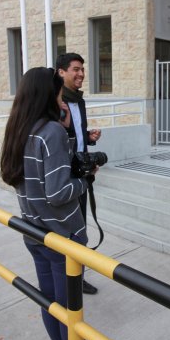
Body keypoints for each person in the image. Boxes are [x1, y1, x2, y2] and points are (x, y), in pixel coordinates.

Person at [0, 67, 104, 340]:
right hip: (62, 235)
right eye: (59, 94)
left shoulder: (19, 129)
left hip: (33, 231)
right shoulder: (51, 132)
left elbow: (29, 181)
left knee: (49, 301)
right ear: (49, 95)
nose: (63, 100)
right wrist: (85, 180)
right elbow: (59, 192)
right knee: (71, 308)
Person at [56, 52, 102, 295]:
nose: (81, 74)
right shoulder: (53, 101)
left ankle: (78, 276)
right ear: (61, 72)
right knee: (65, 229)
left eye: (82, 69)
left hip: (81, 173)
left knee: (80, 227)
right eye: (76, 69)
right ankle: (62, 276)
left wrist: (89, 139)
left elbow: (76, 135)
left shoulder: (79, 101)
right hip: (63, 177)